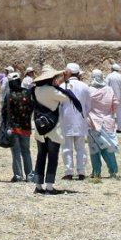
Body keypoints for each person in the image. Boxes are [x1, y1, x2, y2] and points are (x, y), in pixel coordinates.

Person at [32, 67, 80, 195]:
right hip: (53, 129)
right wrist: (64, 81)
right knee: (52, 157)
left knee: (40, 156)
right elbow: (67, 96)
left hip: (40, 128)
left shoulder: (36, 90)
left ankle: (38, 185)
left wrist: (61, 80)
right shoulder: (52, 91)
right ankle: (49, 186)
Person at [87, 69, 121, 179]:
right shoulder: (109, 90)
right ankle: (114, 171)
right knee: (109, 147)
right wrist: (109, 113)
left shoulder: (89, 90)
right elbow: (115, 104)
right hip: (107, 122)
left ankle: (96, 172)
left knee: (94, 148)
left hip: (93, 122)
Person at [1, 72, 34, 182]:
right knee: (26, 151)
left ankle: (18, 176)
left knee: (16, 152)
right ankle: (30, 175)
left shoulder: (9, 95)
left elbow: (4, 112)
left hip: (14, 128)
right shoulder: (27, 93)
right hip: (26, 127)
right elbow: (31, 108)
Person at [61, 63, 92, 180]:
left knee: (66, 148)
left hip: (66, 121)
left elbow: (59, 105)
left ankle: (68, 172)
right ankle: (81, 172)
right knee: (81, 148)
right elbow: (89, 106)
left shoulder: (62, 85)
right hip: (80, 121)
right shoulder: (84, 86)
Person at [105, 63, 121, 133]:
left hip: (110, 96)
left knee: (110, 113)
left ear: (112, 69)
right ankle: (120, 129)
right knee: (120, 113)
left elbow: (106, 86)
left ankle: (110, 128)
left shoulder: (109, 76)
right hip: (119, 97)